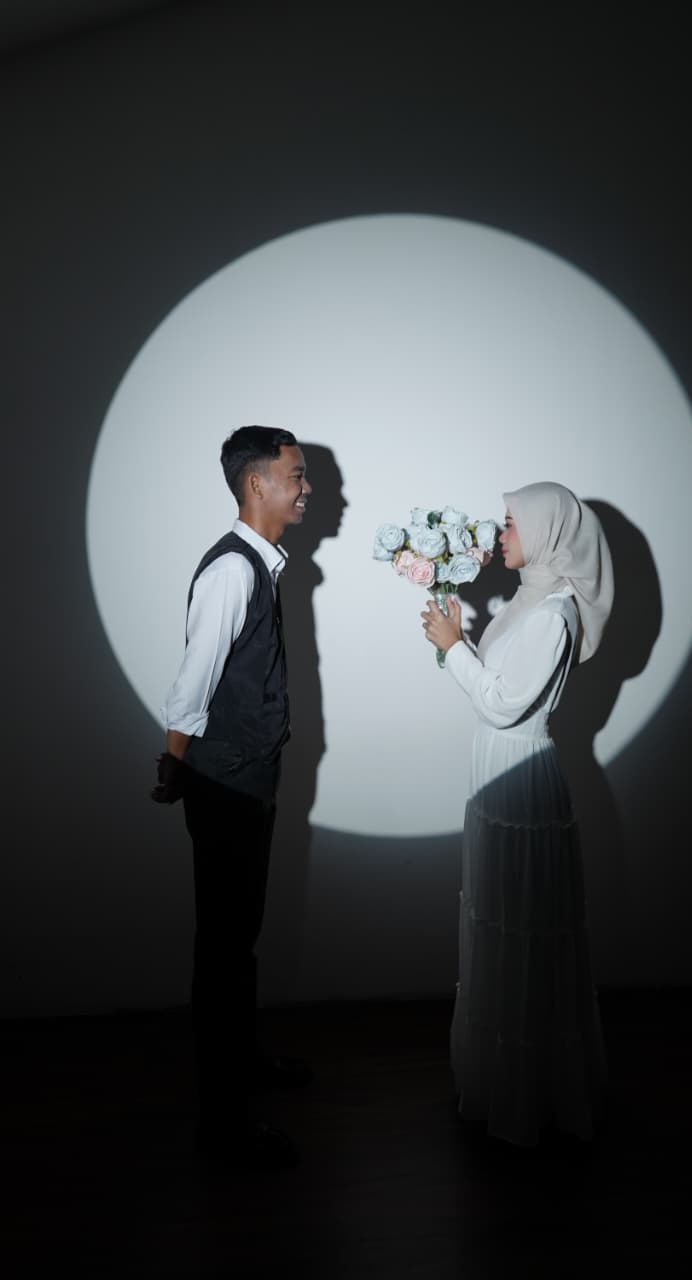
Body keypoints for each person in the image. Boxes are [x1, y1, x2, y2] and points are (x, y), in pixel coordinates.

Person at [421, 482, 613, 1147]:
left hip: (520, 779)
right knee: (501, 919)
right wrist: (458, 635)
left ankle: (528, 1097)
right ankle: (500, 1082)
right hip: (498, 773)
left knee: (523, 928)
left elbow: (503, 705)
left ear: (547, 531)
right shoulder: (529, 600)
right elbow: (499, 687)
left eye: (510, 523)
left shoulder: (554, 614)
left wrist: (454, 648)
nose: (499, 533)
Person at [152, 425, 313, 1168]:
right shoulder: (231, 571)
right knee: (221, 950)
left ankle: (242, 1065)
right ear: (257, 484)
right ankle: (222, 1126)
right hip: (224, 783)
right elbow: (194, 681)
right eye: (296, 475)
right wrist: (175, 765)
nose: (306, 489)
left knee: (237, 938)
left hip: (247, 777)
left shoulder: (261, 565)